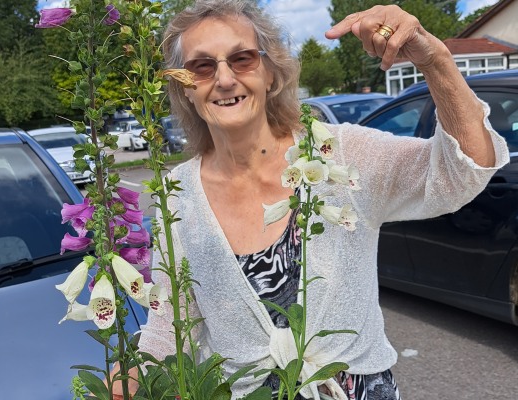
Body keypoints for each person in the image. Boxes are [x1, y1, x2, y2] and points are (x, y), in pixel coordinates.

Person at [113, 0, 509, 399]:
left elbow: (464, 171)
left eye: (243, 58)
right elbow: (172, 323)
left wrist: (434, 59)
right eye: (201, 66)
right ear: (186, 89)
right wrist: (132, 376)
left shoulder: (338, 154)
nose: (225, 78)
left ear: (271, 73)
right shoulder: (176, 196)